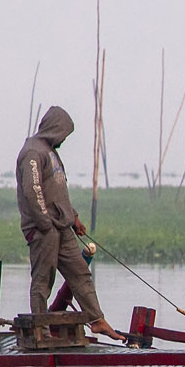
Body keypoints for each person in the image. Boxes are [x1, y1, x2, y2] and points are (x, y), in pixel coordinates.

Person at [17, 106, 121, 340]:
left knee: (80, 272)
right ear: (55, 129)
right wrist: (45, 224)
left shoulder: (51, 151)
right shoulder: (33, 152)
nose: (64, 138)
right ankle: (41, 331)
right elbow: (32, 192)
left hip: (62, 227)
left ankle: (97, 319)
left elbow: (57, 190)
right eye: (63, 133)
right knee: (44, 279)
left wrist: (73, 217)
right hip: (45, 229)